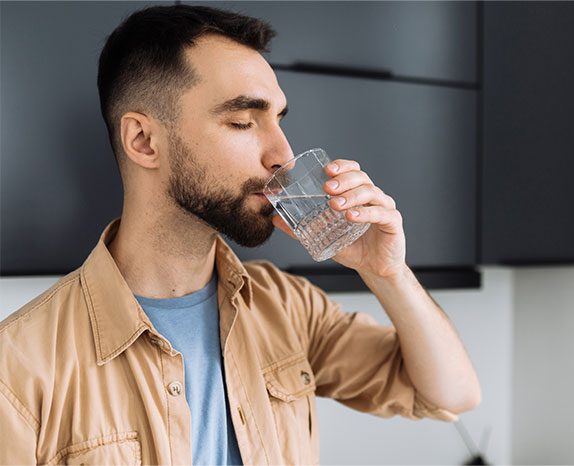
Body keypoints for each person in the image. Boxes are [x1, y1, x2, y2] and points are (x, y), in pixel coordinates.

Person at [0, 4, 481, 465]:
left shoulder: (288, 307)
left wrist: (388, 273)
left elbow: (449, 395)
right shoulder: (17, 367)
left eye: (278, 120)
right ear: (144, 142)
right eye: (242, 121)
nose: (282, 155)